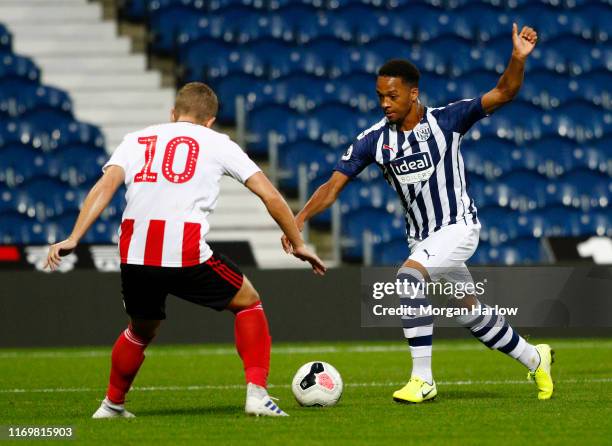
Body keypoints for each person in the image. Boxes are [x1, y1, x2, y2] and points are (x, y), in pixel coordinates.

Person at [283, 24, 554, 403]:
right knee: (470, 314)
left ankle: (422, 379)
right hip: (424, 238)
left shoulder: (448, 120)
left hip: (458, 227)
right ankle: (535, 357)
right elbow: (332, 186)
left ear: (413, 93)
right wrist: (297, 220)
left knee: (408, 278)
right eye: (379, 96)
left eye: (392, 96)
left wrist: (517, 59)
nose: (384, 103)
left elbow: (505, 91)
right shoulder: (373, 140)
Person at [46, 82, 326, 418]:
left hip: (134, 252)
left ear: (172, 114)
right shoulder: (217, 142)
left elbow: (105, 186)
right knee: (249, 302)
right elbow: (270, 195)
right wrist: (298, 243)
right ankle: (257, 394)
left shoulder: (136, 139)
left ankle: (111, 404)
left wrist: (74, 236)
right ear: (210, 121)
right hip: (183, 249)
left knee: (140, 329)